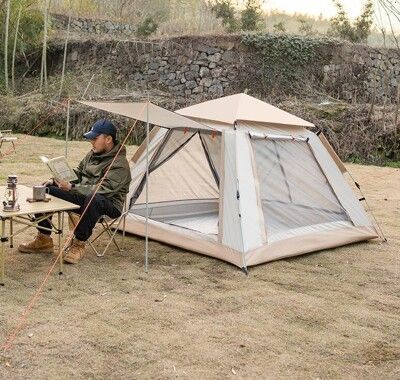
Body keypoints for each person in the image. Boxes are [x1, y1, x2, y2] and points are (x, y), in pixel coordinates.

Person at [18, 119, 132, 264]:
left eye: (95, 138)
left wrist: (72, 188)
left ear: (108, 139)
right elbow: (78, 174)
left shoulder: (119, 164)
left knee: (94, 198)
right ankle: (44, 239)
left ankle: (79, 243)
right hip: (84, 196)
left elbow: (102, 190)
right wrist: (58, 180)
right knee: (47, 189)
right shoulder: (92, 154)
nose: (91, 142)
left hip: (108, 204)